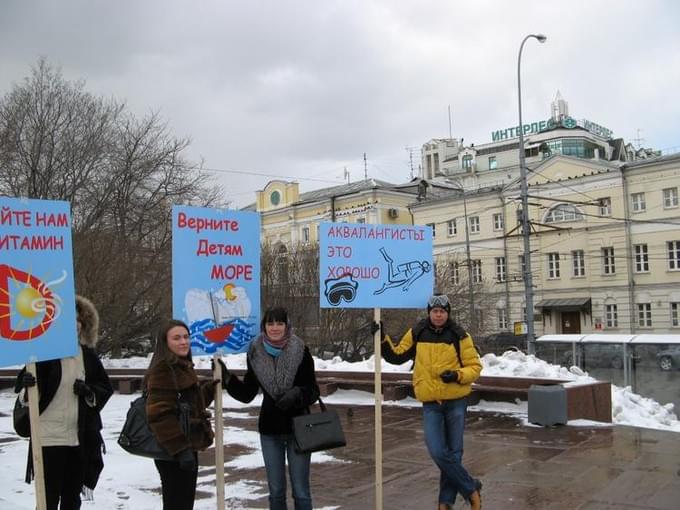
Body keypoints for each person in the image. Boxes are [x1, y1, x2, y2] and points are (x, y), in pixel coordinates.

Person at [377, 294, 483, 510]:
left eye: (442, 311)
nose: (438, 315)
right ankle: (470, 487)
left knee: (454, 453)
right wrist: (381, 339)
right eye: (434, 311)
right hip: (431, 403)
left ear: (447, 313)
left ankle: (444, 503)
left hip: (455, 401)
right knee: (437, 451)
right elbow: (397, 355)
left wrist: (457, 375)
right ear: (429, 312)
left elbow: (475, 367)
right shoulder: (418, 331)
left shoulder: (459, 334)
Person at [14, 295, 113, 510]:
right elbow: (26, 396)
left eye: (78, 321)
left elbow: (104, 388)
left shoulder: (87, 356)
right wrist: (27, 387)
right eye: (67, 320)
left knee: (72, 499)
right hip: (49, 439)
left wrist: (88, 392)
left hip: (78, 439)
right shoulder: (43, 354)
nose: (74, 326)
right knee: (48, 499)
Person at [222, 306, 320, 510]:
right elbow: (248, 393)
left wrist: (296, 395)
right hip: (270, 431)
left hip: (299, 430)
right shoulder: (255, 353)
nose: (275, 327)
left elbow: (313, 390)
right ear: (264, 326)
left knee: (301, 490)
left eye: (280, 323)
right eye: (270, 323)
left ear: (287, 326)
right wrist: (227, 379)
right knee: (275, 491)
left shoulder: (300, 350)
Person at [145, 319, 219, 510]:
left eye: (186, 337)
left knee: (184, 503)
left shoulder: (181, 366)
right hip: (173, 450)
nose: (183, 342)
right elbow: (160, 415)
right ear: (165, 342)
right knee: (176, 503)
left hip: (186, 446)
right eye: (176, 338)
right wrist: (181, 450)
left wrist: (212, 387)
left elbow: (190, 404)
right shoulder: (163, 369)